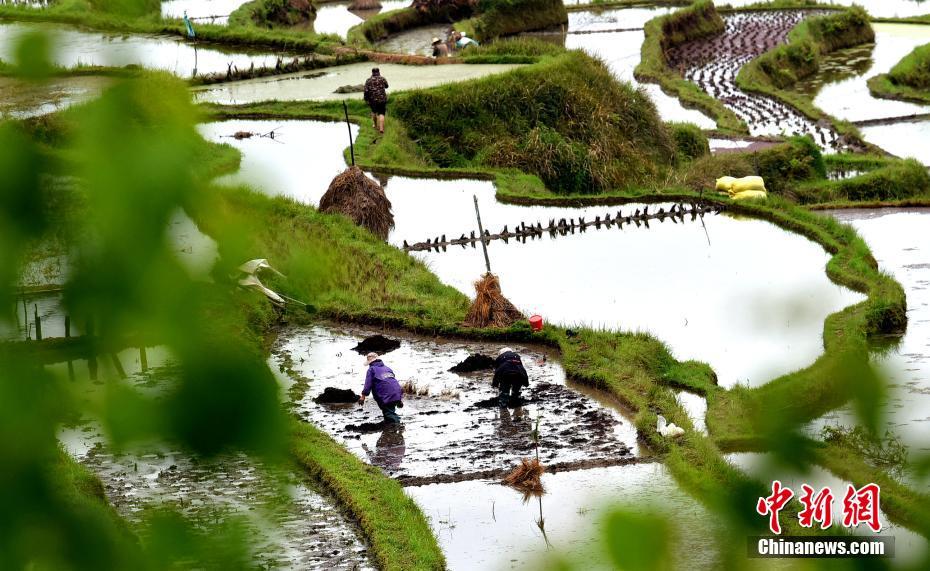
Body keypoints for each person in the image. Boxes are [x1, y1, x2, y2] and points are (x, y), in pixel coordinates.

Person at [359, 352, 403, 423]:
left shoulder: (371, 369)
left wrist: (363, 396)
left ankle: (397, 425)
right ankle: (391, 425)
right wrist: (399, 399)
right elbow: (392, 382)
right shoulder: (387, 368)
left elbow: (368, 384)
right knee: (390, 410)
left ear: (370, 362)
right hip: (397, 392)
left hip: (385, 395)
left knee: (388, 413)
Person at [363, 67, 389, 135]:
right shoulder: (382, 78)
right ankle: (381, 128)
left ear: (372, 73)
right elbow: (387, 86)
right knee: (382, 113)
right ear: (379, 72)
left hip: (372, 100)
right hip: (382, 99)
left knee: (374, 112)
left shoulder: (368, 80)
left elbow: (366, 91)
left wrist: (366, 99)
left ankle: (375, 124)